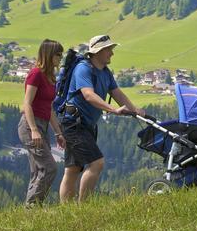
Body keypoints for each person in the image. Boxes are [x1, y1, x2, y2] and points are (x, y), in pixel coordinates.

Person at [58, 34, 145, 202]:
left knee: (73, 169)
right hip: (74, 124)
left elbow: (117, 93)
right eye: (108, 50)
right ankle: (84, 206)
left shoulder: (105, 72)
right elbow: (89, 95)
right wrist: (113, 110)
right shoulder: (83, 69)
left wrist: (134, 110)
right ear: (97, 52)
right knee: (97, 163)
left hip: (86, 124)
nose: (111, 54)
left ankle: (66, 211)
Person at [17, 38, 66, 206]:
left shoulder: (50, 78)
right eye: (58, 54)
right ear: (49, 55)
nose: (60, 57)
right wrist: (34, 130)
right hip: (30, 125)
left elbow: (49, 108)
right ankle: (32, 206)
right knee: (50, 167)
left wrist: (58, 132)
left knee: (37, 170)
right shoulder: (36, 74)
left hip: (42, 125)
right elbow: (27, 104)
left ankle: (30, 208)